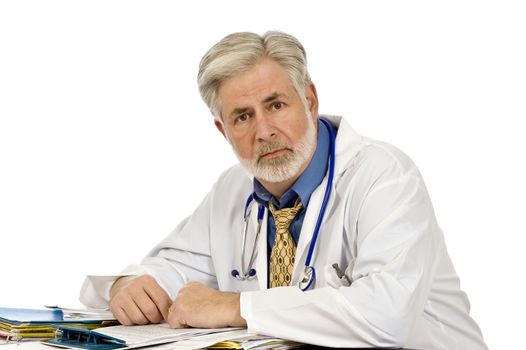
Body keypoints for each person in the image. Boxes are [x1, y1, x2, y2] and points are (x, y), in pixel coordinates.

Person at [79, 31, 488, 349]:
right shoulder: (232, 190)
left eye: (276, 105)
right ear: (224, 131)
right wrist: (131, 286)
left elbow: (387, 314)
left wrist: (235, 306)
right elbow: (174, 266)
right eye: (242, 117)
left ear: (309, 100)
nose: (264, 131)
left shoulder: (385, 178)